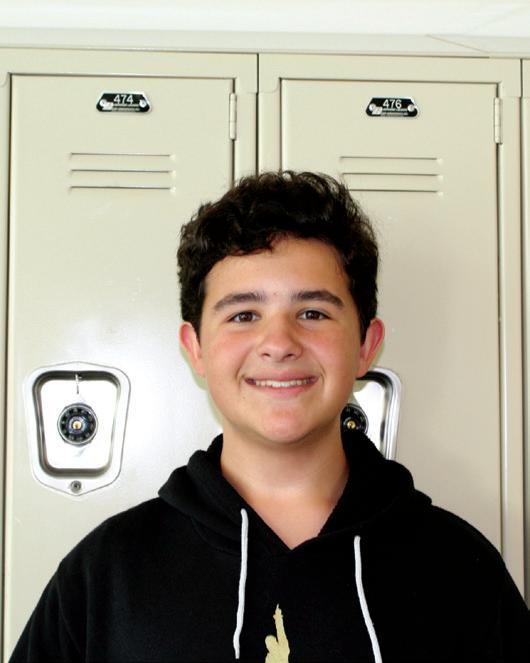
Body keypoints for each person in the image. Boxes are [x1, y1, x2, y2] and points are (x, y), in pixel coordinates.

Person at [11, 171, 530, 662]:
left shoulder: (460, 569)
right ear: (195, 348)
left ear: (366, 346)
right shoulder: (105, 575)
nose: (279, 343)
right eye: (243, 315)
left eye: (313, 313)